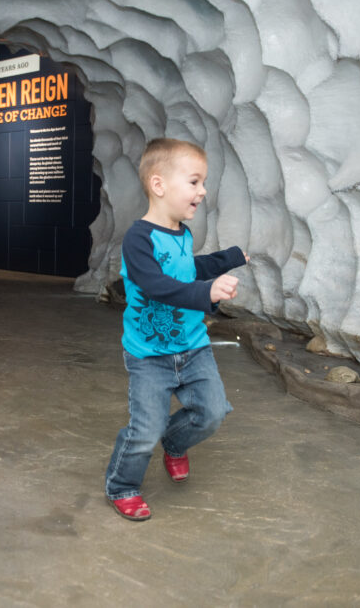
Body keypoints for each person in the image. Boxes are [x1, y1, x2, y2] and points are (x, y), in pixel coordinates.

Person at [104, 137, 248, 521]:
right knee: (145, 429)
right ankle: (122, 485)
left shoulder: (182, 234)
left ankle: (175, 442)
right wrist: (207, 294)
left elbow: (188, 271)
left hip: (193, 347)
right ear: (159, 184)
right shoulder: (139, 238)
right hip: (150, 356)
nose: (203, 191)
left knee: (213, 413)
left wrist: (229, 259)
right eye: (195, 181)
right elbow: (155, 284)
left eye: (204, 183)